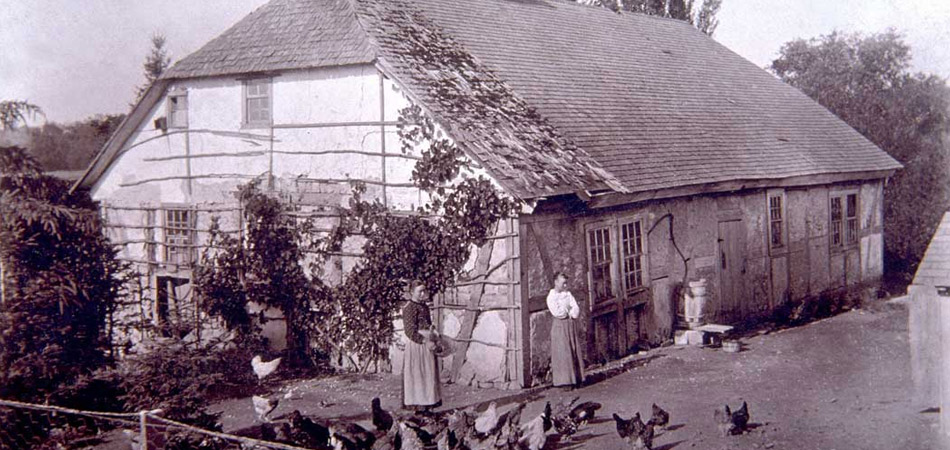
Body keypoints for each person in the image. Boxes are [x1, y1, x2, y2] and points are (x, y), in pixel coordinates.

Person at [402, 280, 442, 411]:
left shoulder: (424, 307)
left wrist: (433, 331)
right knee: (418, 375)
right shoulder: (409, 308)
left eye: (424, 290)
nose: (423, 293)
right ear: (412, 292)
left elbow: (427, 323)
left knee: (428, 375)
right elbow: (409, 331)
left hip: (427, 344)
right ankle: (419, 409)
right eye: (420, 291)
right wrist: (425, 341)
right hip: (417, 345)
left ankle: (428, 406)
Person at [547, 272, 584, 389]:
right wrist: (568, 310)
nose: (565, 286)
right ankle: (564, 382)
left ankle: (576, 378)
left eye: (566, 283)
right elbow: (558, 313)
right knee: (563, 352)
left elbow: (576, 308)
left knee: (573, 349)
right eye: (563, 283)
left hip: (570, 324)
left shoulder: (567, 294)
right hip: (560, 327)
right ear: (556, 282)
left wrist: (571, 311)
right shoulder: (551, 297)